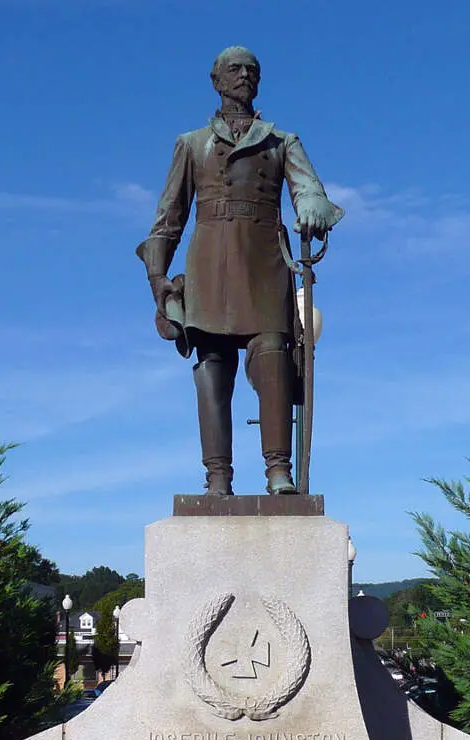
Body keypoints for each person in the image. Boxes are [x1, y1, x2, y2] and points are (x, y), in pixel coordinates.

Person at [137, 45, 343, 496]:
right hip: (209, 263)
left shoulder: (280, 140)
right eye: (234, 69)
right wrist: (158, 278)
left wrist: (310, 205)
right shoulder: (191, 144)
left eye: (252, 70)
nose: (244, 75)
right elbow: (168, 219)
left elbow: (311, 191)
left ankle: (278, 471)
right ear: (216, 80)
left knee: (272, 358)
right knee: (212, 364)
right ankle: (217, 478)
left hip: (265, 263)